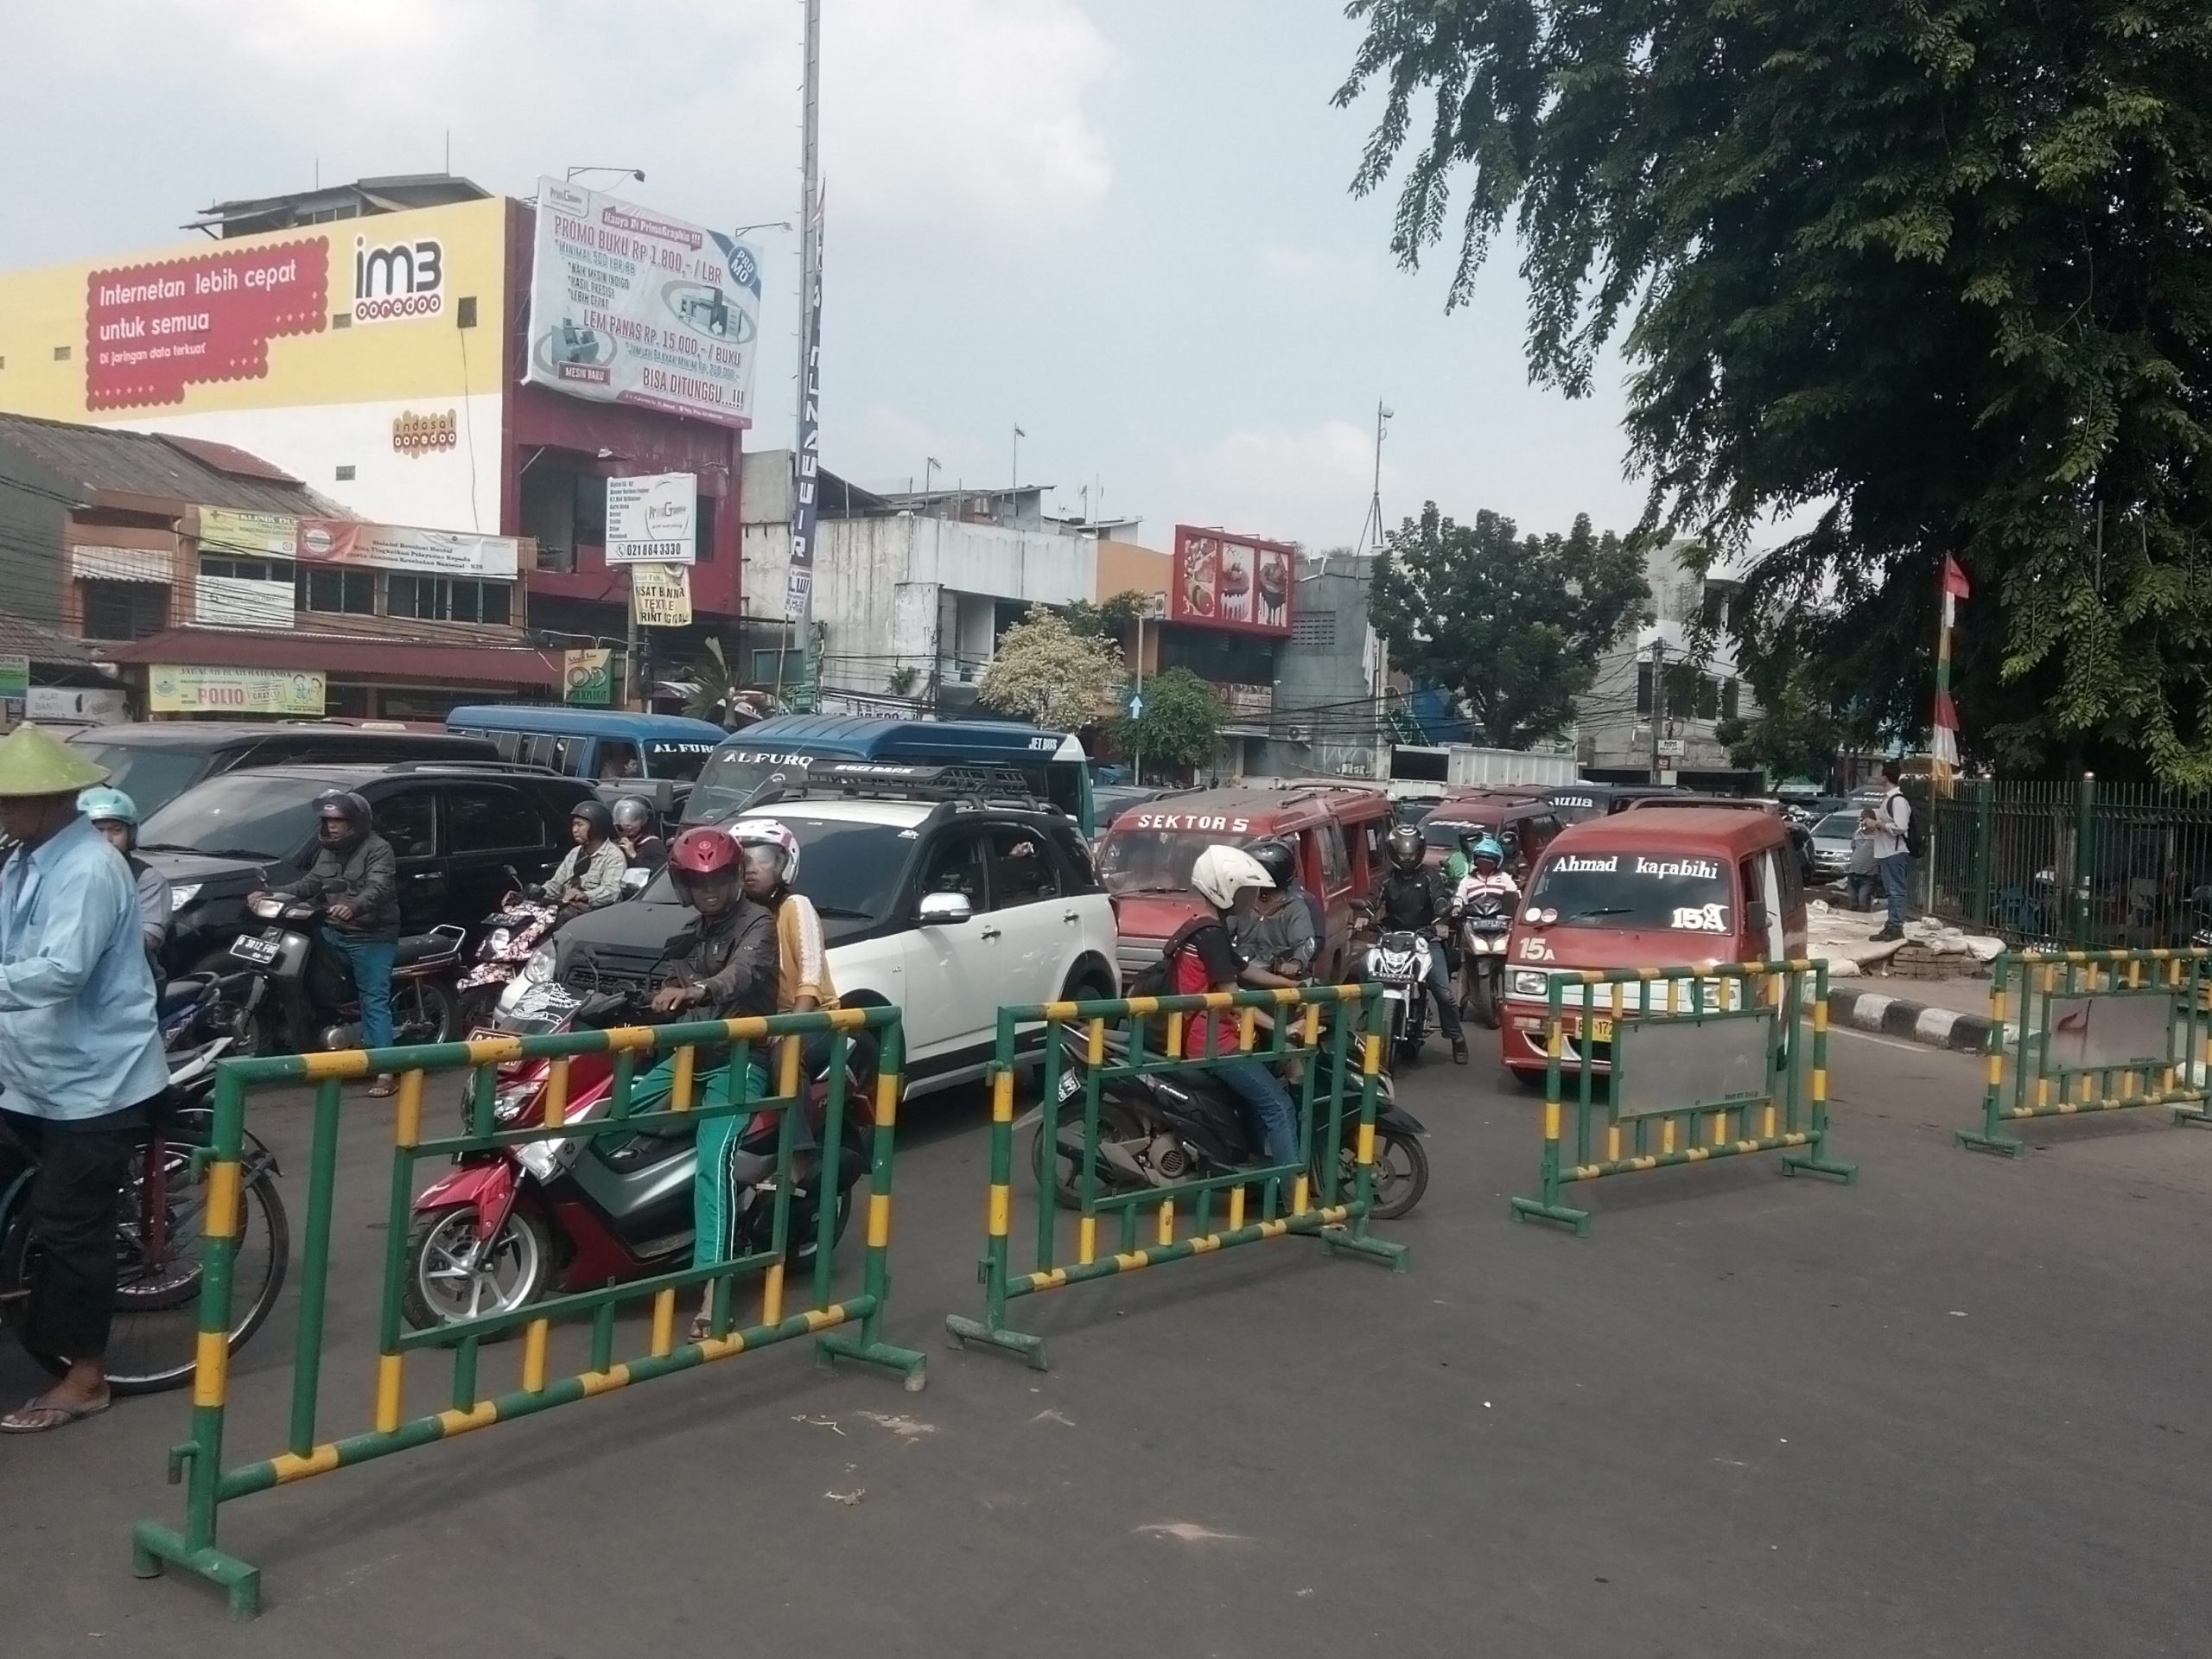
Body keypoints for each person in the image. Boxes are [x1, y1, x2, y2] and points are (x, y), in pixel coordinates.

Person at [0, 726, 170, 1433]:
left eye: (12, 800)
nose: (3, 811)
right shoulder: (20, 860)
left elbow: (61, 971)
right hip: (26, 1070)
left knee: (71, 1228)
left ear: (53, 800)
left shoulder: (90, 868)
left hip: (94, 1081)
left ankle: (85, 1375)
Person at [646, 826, 779, 1338]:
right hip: (690, 1053)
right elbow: (666, 975)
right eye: (699, 883)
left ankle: (713, 1289)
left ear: (735, 878)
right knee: (613, 1118)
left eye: (719, 880)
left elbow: (742, 975)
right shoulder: (694, 931)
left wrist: (697, 990)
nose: (710, 891)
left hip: (740, 1058)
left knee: (713, 1160)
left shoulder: (758, 923)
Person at [267, 791, 400, 1095]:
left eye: (338, 820)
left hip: (371, 936)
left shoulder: (379, 849)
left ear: (357, 821)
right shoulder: (328, 850)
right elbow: (309, 883)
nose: (331, 827)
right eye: (327, 821)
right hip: (332, 931)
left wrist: (354, 906)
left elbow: (379, 887)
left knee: (373, 1000)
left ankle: (386, 1073)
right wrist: (272, 894)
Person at [1179, 845, 1302, 1167]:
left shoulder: (1204, 928)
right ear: (1225, 890)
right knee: (1279, 1106)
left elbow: (1246, 970)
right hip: (1213, 1046)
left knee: (1256, 1101)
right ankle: (1293, 1197)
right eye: (1245, 889)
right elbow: (1236, 1001)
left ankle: (1253, 1175)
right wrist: (1285, 1027)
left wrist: (1293, 986)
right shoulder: (1212, 936)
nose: (1252, 897)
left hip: (1210, 1040)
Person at [1376, 823, 1468, 1064]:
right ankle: (1370, 1012)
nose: (1407, 856)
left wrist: (1442, 920)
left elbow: (1439, 899)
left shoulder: (1430, 876)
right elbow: (1371, 898)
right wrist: (1364, 914)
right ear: (1393, 851)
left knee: (1444, 993)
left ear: (1420, 850)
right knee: (1369, 976)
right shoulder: (1386, 877)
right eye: (1402, 851)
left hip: (1426, 939)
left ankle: (1456, 1037)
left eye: (1411, 851)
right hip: (1393, 939)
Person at [78, 786, 168, 964]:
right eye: (97, 830)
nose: (107, 839)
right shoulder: (62, 873)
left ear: (131, 834)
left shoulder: (146, 878)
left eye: (116, 830)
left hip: (130, 980)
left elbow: (149, 939)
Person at [1231, 839, 1316, 980]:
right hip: (1242, 970)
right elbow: (1222, 931)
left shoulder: (1294, 907)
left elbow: (1305, 942)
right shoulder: (1244, 901)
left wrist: (1296, 962)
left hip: (1278, 974)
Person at [528, 800, 627, 912]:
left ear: (597, 826)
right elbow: (555, 884)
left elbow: (612, 891)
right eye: (574, 825)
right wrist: (531, 894)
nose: (574, 830)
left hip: (593, 915)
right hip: (565, 908)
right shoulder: (575, 853)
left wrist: (585, 895)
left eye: (580, 825)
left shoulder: (614, 856)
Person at [1871, 762, 1912, 941]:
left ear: (1885, 777)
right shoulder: (1887, 799)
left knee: (1896, 891)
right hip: (1886, 850)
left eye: (1877, 772)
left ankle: (1896, 927)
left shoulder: (1898, 800)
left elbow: (1901, 827)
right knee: (1890, 890)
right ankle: (1891, 926)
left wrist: (1878, 824)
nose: (1874, 775)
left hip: (1895, 852)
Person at [612, 796, 666, 872]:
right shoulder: (618, 843)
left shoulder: (654, 844)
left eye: (634, 820)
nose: (627, 824)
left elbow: (660, 872)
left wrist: (634, 856)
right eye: (623, 820)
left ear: (645, 820)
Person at [1847, 810, 1879, 912]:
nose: (1863, 823)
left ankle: (1864, 917)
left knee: (1863, 899)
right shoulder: (1857, 833)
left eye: (1866, 820)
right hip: (1853, 872)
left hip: (1868, 874)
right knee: (1852, 900)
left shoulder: (1878, 835)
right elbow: (1853, 847)